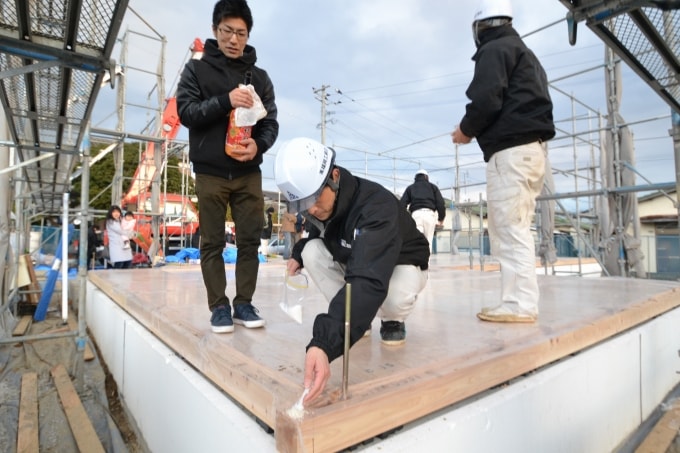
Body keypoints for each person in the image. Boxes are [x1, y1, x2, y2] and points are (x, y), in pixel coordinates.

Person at [275, 137, 430, 405]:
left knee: (391, 300)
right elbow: (318, 230)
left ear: (334, 176)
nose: (310, 209)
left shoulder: (374, 206)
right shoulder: (321, 206)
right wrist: (299, 253)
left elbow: (367, 279)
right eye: (301, 203)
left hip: (402, 263)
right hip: (361, 261)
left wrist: (324, 344)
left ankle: (389, 319)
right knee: (312, 250)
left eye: (313, 197)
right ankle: (356, 319)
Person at [176, 0, 278, 333]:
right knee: (212, 242)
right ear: (214, 30)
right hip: (210, 173)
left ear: (248, 34)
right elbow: (187, 113)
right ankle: (218, 306)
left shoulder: (259, 77)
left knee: (249, 240)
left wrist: (258, 145)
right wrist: (226, 101)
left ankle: (244, 303)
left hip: (249, 172)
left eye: (241, 33)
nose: (234, 39)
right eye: (227, 31)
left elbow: (270, 122)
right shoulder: (196, 70)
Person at [451, 0, 555, 323]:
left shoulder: (495, 49)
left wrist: (465, 131)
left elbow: (486, 99)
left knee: (510, 229)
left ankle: (520, 304)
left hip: (511, 153)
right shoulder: (524, 52)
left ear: (480, 27)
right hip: (532, 152)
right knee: (514, 227)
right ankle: (515, 300)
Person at [400, 169, 446, 253]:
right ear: (426, 177)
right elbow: (440, 204)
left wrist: (405, 218)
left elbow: (402, 204)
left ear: (416, 178)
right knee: (428, 241)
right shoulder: (433, 187)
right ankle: (426, 265)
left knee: (416, 241)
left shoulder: (410, 188)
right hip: (429, 215)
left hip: (416, 215)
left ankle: (417, 264)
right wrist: (441, 219)